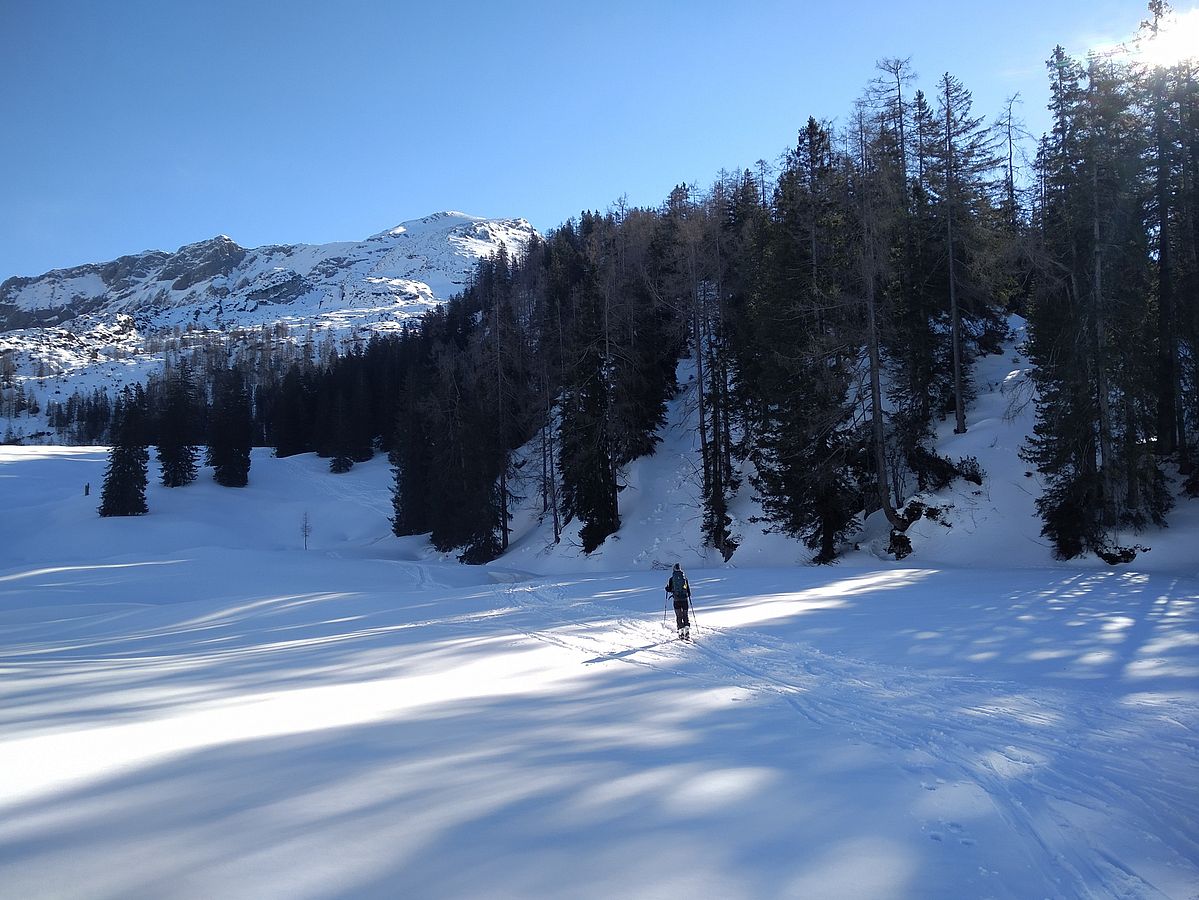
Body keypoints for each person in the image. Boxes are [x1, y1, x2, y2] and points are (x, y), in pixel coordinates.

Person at [665, 563, 692, 640]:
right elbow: (688, 590)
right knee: (685, 615)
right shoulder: (684, 578)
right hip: (684, 600)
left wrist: (667, 589)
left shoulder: (671, 579)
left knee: (679, 616)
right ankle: (687, 632)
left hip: (676, 600)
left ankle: (680, 632)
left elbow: (669, 589)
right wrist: (687, 595)